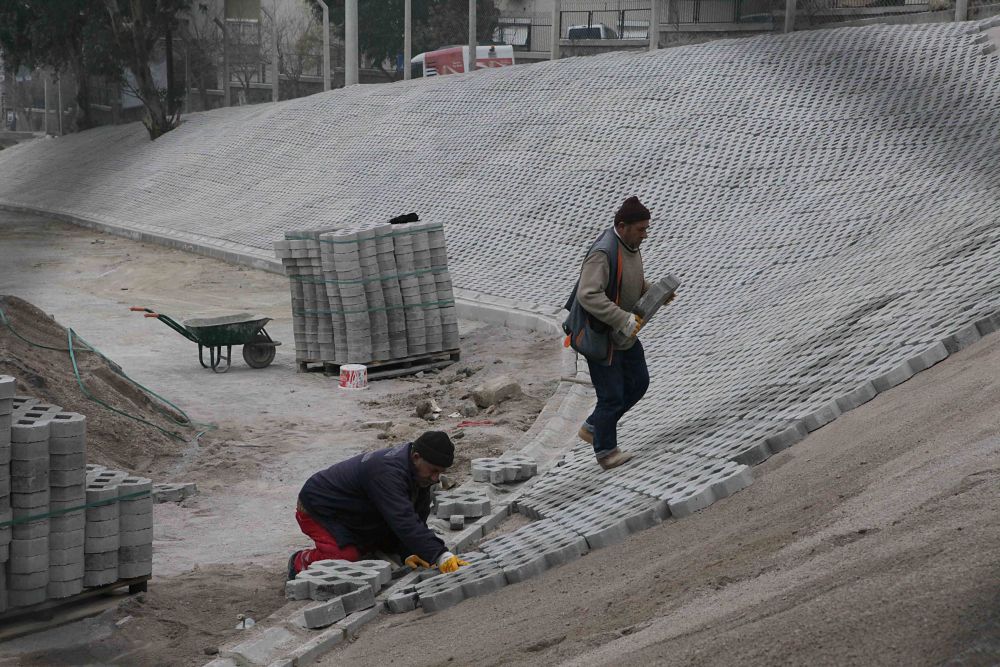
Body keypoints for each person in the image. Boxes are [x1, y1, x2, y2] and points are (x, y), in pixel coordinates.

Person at [573, 195, 670, 470]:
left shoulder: (630, 245)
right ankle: (606, 452)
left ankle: (594, 426)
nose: (645, 235)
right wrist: (621, 318)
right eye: (641, 229)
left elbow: (631, 281)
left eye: (646, 229)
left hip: (623, 333)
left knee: (639, 382)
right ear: (622, 226)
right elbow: (588, 294)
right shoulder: (602, 254)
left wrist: (655, 292)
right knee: (612, 396)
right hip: (600, 336)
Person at [289, 431, 469, 578]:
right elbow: (403, 520)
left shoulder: (419, 474)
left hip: (356, 509)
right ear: (416, 457)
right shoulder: (387, 472)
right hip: (319, 507)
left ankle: (362, 543)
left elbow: (416, 518)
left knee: (390, 545)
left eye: (440, 472)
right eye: (434, 470)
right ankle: (301, 561)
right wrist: (440, 554)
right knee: (345, 558)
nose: (436, 478)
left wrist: (409, 552)